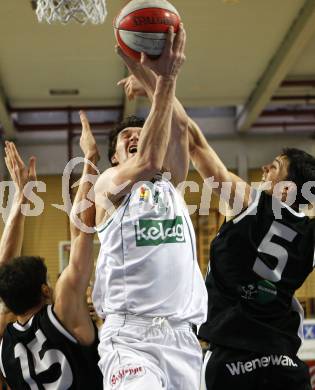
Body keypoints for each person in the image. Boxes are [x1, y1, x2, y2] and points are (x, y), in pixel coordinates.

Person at [118, 72, 315, 389]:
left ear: (289, 189)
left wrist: (157, 88)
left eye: (274, 167)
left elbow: (192, 141)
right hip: (285, 363)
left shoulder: (250, 202)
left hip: (231, 360)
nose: (265, 168)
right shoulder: (310, 235)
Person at [92, 25, 207, 390]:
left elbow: (181, 126)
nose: (135, 137)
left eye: (140, 133)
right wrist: (165, 78)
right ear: (115, 157)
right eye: (127, 138)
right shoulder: (108, 183)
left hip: (183, 339)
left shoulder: (170, 181)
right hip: (132, 337)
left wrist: (152, 75)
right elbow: (147, 161)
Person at [0, 112, 103, 389]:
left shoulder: (4, 342)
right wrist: (90, 158)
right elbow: (81, 229)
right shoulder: (64, 312)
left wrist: (22, 197)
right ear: (46, 290)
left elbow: (3, 271)